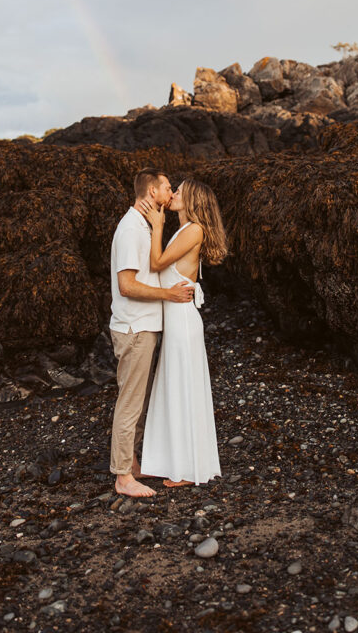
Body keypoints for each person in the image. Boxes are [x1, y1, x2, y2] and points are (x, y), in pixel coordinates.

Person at [109, 168, 194, 498]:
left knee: (135, 401)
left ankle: (131, 465)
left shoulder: (143, 226)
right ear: (152, 192)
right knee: (130, 403)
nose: (171, 193)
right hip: (135, 327)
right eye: (167, 188)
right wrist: (169, 295)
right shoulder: (131, 228)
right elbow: (127, 285)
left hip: (143, 325)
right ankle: (122, 476)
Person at [139, 178, 227, 487]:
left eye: (179, 191)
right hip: (177, 321)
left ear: (191, 199)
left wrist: (156, 224)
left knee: (182, 390)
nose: (173, 194)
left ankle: (188, 470)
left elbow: (157, 261)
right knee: (173, 389)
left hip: (183, 322)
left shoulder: (192, 230)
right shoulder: (186, 229)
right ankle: (167, 460)